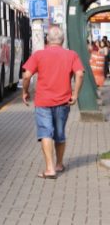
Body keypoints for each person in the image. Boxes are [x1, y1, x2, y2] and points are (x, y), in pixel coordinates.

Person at [21, 25, 84, 179]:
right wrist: (75, 95)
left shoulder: (39, 55)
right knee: (60, 133)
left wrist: (25, 91)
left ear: (47, 40)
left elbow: (27, 75)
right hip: (63, 101)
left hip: (43, 102)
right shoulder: (72, 55)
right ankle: (59, 164)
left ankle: (49, 169)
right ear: (62, 40)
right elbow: (80, 74)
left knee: (45, 132)